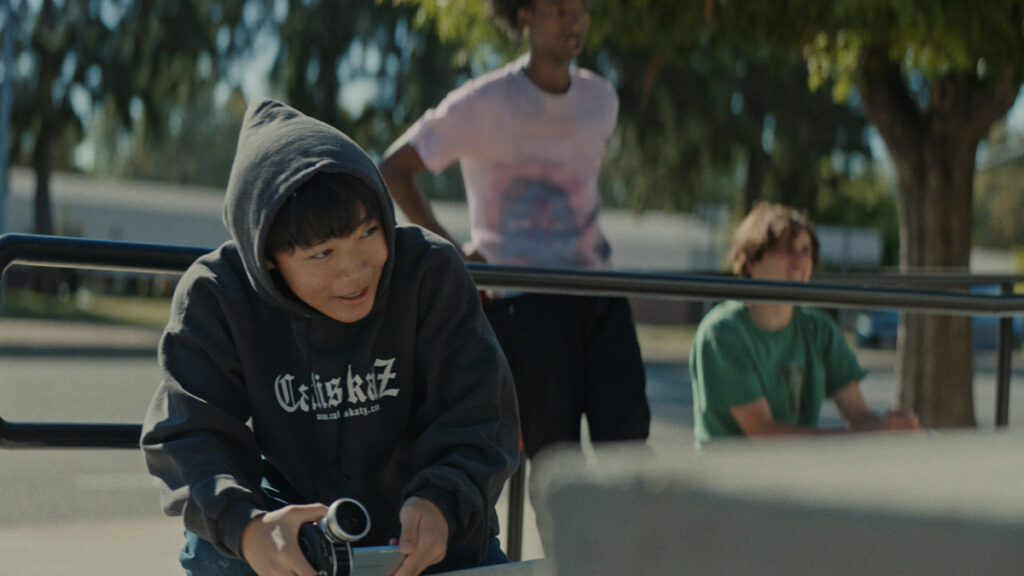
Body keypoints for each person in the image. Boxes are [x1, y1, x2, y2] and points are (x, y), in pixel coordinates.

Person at [140, 98, 521, 576]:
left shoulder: (431, 273)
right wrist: (248, 525)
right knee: (212, 545)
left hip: (426, 525)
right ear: (268, 257)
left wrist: (442, 501)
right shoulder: (217, 294)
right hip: (289, 528)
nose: (356, 270)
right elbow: (188, 434)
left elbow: (483, 413)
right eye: (322, 253)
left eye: (368, 232)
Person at [379, 0, 650, 461]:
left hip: (601, 294)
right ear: (524, 14)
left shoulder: (601, 100)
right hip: (525, 304)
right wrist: (454, 251)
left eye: (582, 7)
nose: (574, 19)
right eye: (558, 8)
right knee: (553, 463)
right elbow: (393, 169)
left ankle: (622, 538)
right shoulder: (482, 102)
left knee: (628, 455)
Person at [689, 202, 919, 447]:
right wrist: (868, 434)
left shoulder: (817, 328)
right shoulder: (722, 332)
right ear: (751, 263)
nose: (800, 261)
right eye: (785, 249)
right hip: (729, 478)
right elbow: (763, 435)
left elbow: (860, 417)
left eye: (806, 250)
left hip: (796, 473)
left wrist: (893, 427)